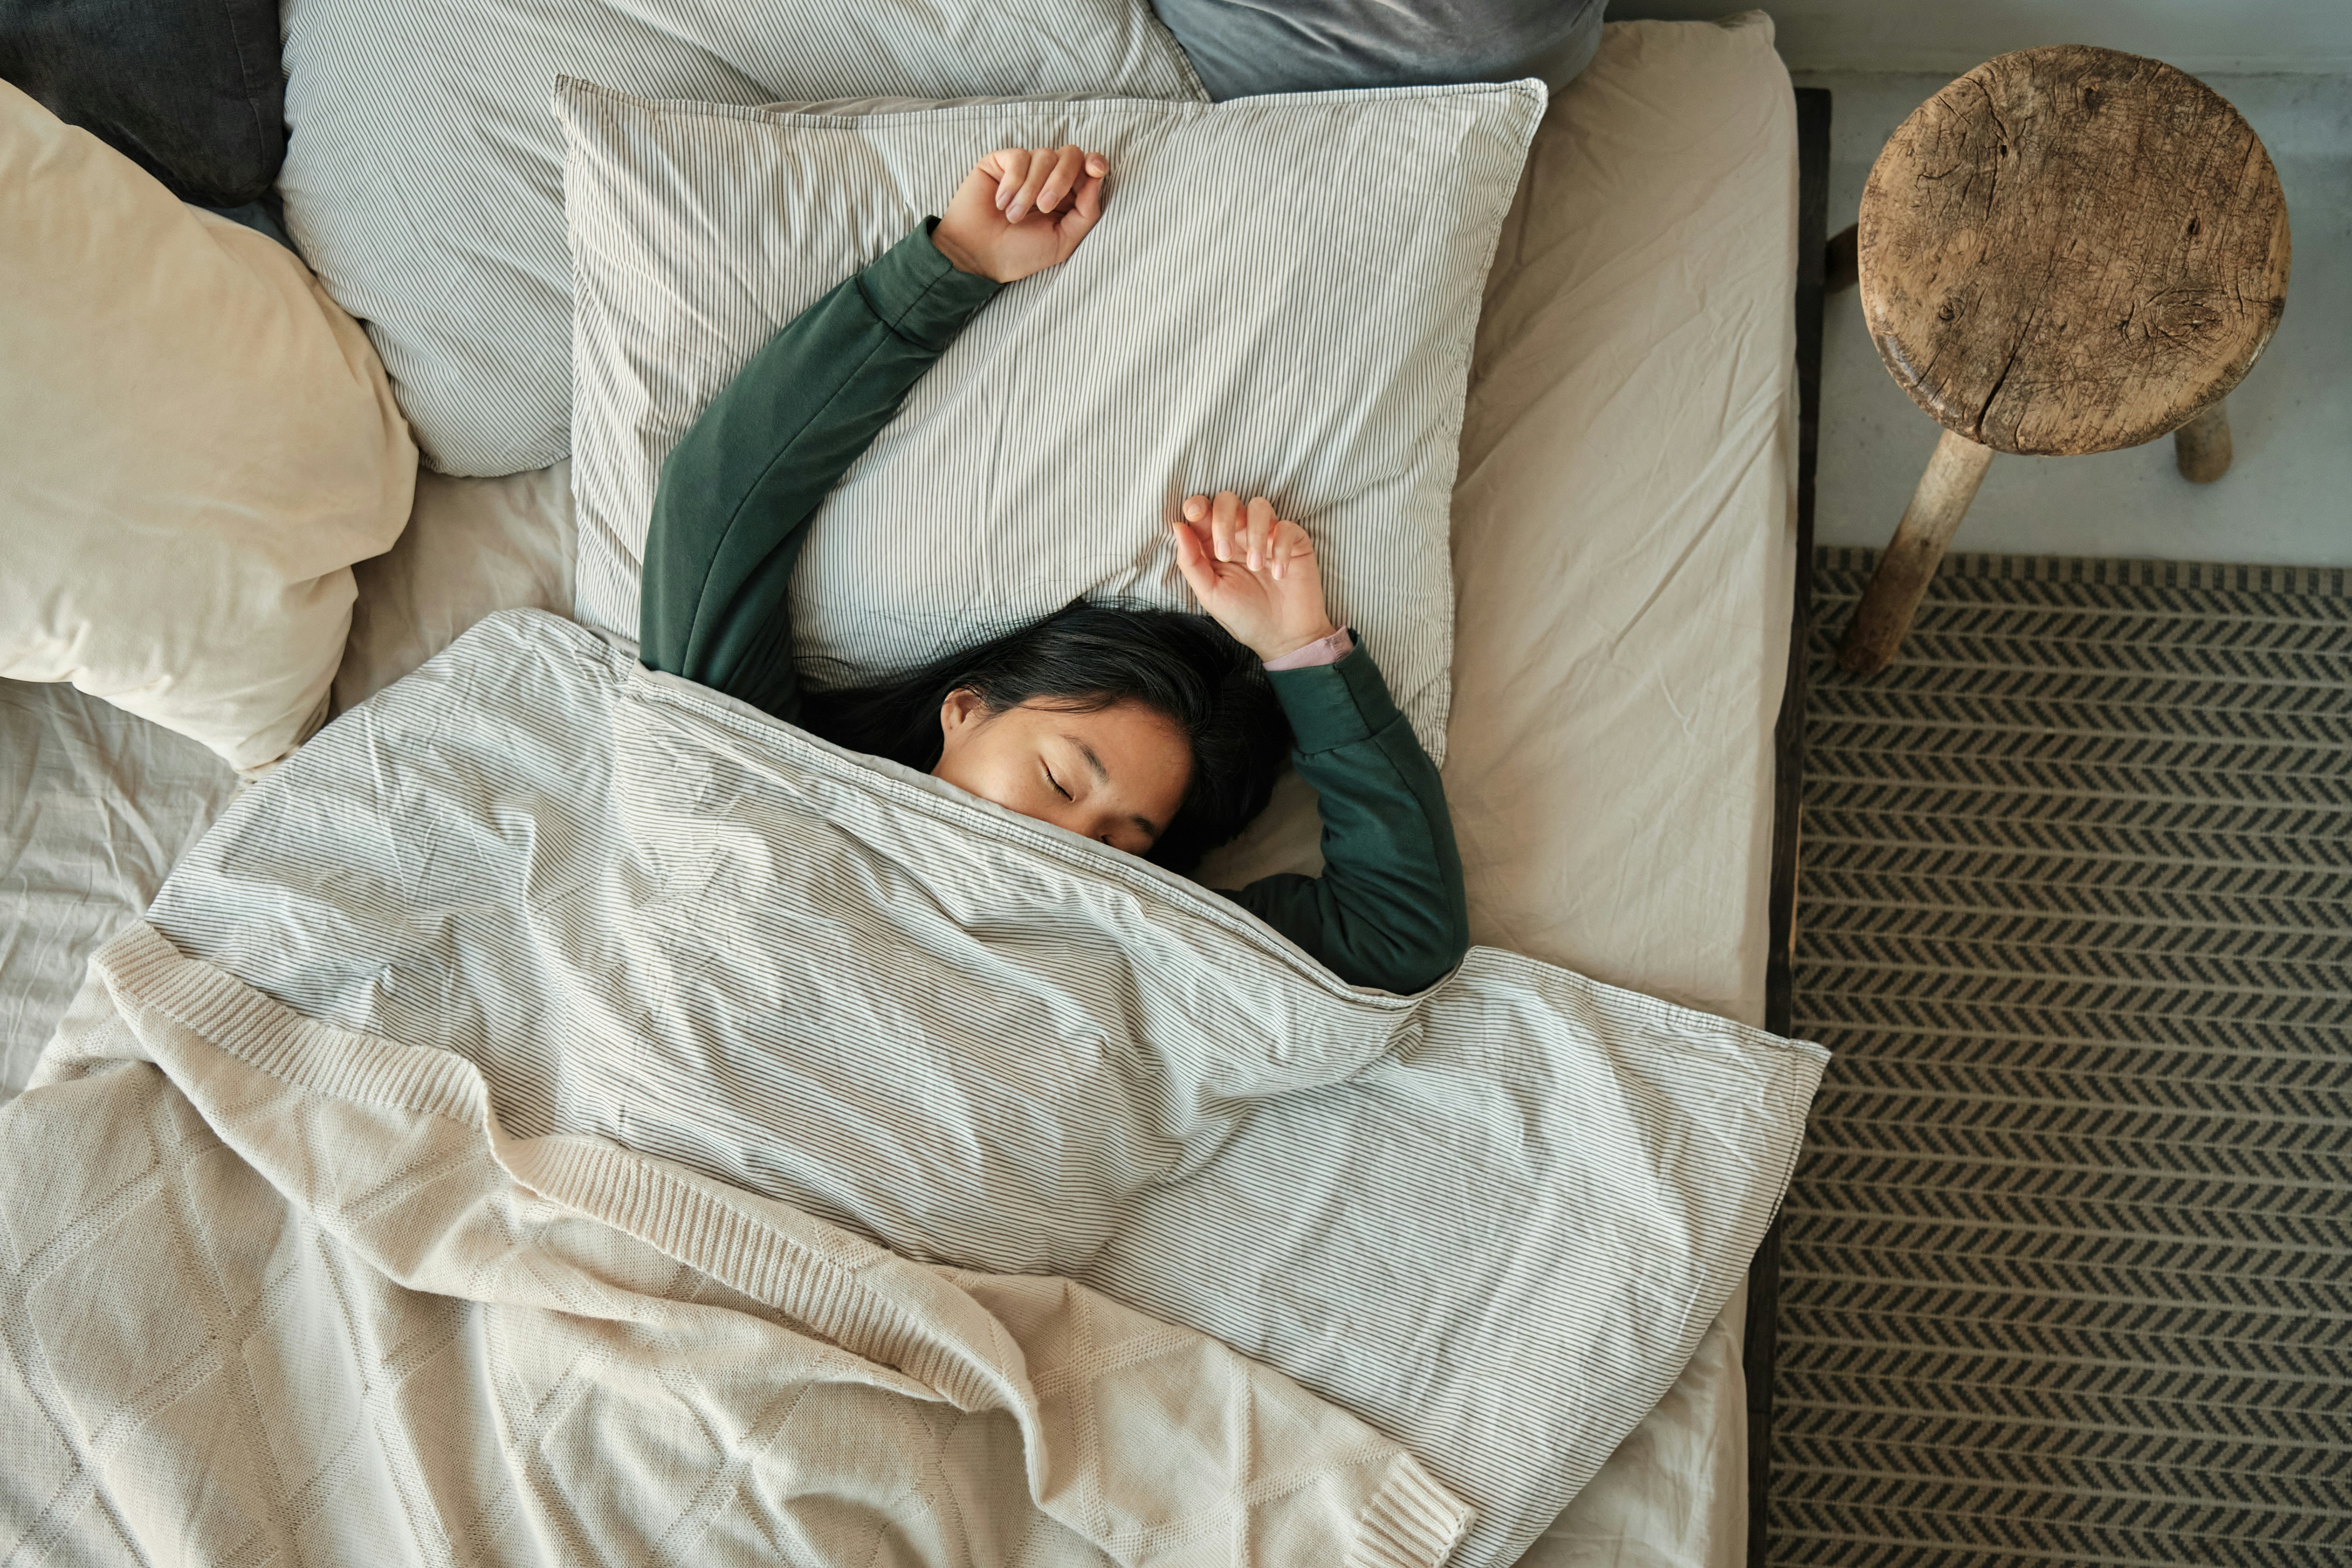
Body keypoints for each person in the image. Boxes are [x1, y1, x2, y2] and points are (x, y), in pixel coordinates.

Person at [640, 144, 1468, 992]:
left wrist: (1302, 649)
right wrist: (950, 267)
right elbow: (718, 505)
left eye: (1121, 842)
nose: (1068, 845)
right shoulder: (781, 778)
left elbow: (1399, 933)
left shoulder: (1131, 938)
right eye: (1060, 779)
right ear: (963, 710)